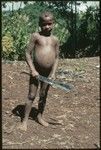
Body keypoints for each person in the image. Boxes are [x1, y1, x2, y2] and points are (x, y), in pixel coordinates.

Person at [18, 11, 59, 131]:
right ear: (40, 24)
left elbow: (56, 57)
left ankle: (39, 116)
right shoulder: (36, 36)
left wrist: (53, 73)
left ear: (53, 24)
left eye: (49, 24)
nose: (47, 26)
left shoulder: (55, 40)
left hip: (48, 74)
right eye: (44, 24)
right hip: (36, 72)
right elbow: (27, 53)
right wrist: (32, 70)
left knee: (43, 95)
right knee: (31, 95)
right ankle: (24, 121)